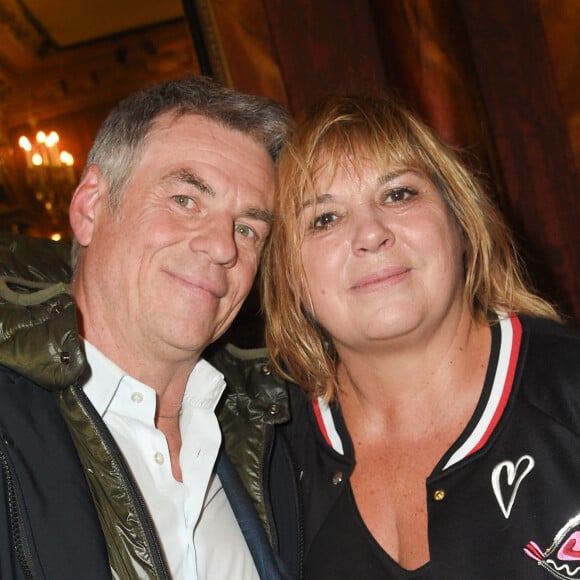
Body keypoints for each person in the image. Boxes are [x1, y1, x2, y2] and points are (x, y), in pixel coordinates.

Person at [260, 93, 580, 579]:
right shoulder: (266, 457)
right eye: (325, 218)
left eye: (398, 194)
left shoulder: (568, 394)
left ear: (461, 219)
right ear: (287, 274)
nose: (370, 233)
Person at [0, 76, 293, 579]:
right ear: (91, 205)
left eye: (248, 228)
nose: (223, 247)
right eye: (185, 200)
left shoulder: (273, 433)